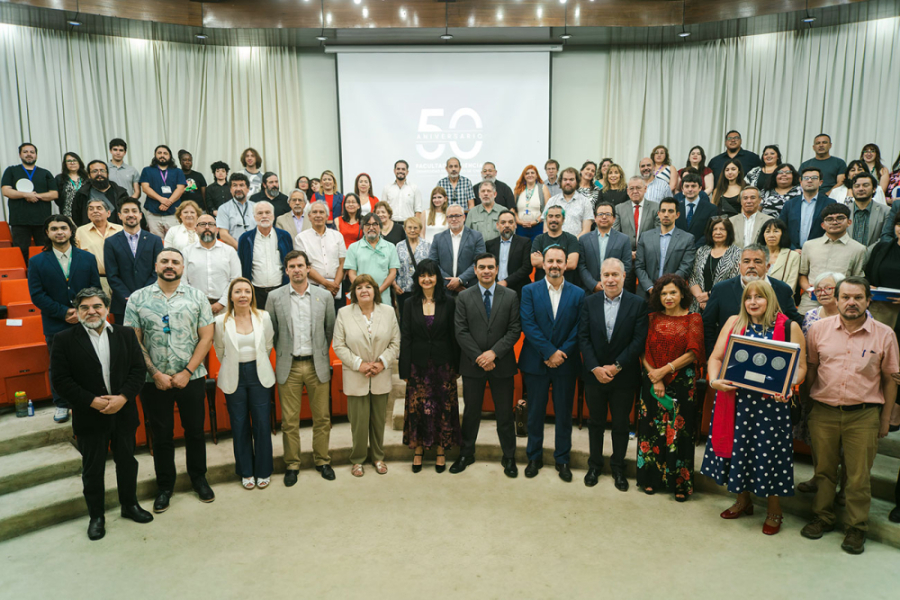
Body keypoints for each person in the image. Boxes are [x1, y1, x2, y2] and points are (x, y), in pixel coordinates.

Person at [701, 280, 807, 535]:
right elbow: (715, 358)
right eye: (749, 298)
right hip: (735, 402)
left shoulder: (790, 326)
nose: (753, 302)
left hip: (770, 407)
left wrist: (788, 387)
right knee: (739, 450)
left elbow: (801, 367)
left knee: (768, 454)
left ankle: (774, 509)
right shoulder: (734, 322)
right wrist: (715, 381)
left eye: (759, 297)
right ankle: (743, 500)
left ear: (770, 299)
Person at [802, 277, 898, 554]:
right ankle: (822, 517)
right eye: (845, 297)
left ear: (869, 300)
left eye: (858, 297)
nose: (851, 302)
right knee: (823, 471)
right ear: (836, 299)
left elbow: (891, 379)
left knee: (858, 477)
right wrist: (807, 406)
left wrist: (885, 418)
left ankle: (857, 527)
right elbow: (811, 368)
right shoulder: (818, 330)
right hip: (823, 411)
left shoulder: (884, 334)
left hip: (864, 415)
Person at [49, 287, 150, 541]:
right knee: (92, 469)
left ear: (106, 308)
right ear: (77, 311)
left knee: (127, 462)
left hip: (123, 412)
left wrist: (123, 398)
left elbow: (138, 371)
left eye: (96, 306)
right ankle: (97, 516)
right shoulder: (63, 339)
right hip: (89, 416)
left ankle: (130, 506)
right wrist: (92, 402)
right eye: (84, 307)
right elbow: (61, 380)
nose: (91, 311)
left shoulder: (126, 335)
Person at [124, 248, 215, 512]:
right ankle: (165, 486)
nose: (170, 265)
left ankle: (199, 478)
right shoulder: (138, 299)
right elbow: (134, 340)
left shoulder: (197, 297)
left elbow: (206, 338)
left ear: (183, 268)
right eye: (165, 261)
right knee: (161, 436)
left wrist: (187, 372)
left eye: (175, 262)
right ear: (156, 265)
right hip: (155, 381)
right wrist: (154, 372)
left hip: (192, 378)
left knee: (196, 432)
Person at [266, 250, 337, 485]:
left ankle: (322, 460)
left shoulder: (324, 297)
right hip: (290, 365)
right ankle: (292, 464)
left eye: (300, 265)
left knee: (322, 418)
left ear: (308, 268)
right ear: (286, 271)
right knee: (289, 421)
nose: (296, 270)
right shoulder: (274, 298)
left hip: (317, 364)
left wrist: (319, 354)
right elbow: (271, 333)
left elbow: (329, 331)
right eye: (292, 266)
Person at [578, 257, 648, 490]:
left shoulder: (637, 304)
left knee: (620, 425)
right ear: (601, 277)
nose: (610, 279)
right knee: (595, 422)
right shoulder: (589, 302)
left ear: (624, 276)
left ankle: (619, 468)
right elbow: (583, 338)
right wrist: (595, 368)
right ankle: (595, 466)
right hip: (594, 375)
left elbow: (638, 341)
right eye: (606, 275)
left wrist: (617, 366)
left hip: (624, 377)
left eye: (615, 275)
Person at [451, 253, 522, 477]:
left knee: (504, 414)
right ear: (475, 270)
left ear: (497, 269)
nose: (486, 271)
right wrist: (480, 357)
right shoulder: (463, 297)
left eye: (491, 267)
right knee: (471, 412)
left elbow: (514, 330)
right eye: (482, 267)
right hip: (473, 365)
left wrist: (493, 354)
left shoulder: (510, 296)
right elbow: (460, 331)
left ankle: (509, 456)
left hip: (502, 364)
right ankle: (466, 453)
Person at [519, 247, 585, 482]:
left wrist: (561, 353)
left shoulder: (578, 293)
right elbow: (528, 324)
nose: (554, 264)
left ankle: (562, 459)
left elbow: (579, 329)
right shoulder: (529, 290)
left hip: (565, 364)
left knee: (564, 414)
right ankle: (534, 457)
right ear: (543, 264)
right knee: (535, 413)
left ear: (566, 264)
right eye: (550, 261)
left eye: (559, 261)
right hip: (536, 362)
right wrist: (549, 352)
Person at [29, 215, 102, 423]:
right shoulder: (36, 261)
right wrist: (63, 312)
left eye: (63, 228)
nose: (59, 232)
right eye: (54, 229)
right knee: (58, 365)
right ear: (47, 233)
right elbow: (37, 295)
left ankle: (91, 399)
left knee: (90, 361)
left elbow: (95, 288)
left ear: (71, 231)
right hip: (55, 323)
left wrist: (81, 312)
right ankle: (61, 404)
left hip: (87, 320)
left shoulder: (87, 258)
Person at [638, 274, 705, 499]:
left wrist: (664, 371)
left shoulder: (693, 318)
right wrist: (655, 378)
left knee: (680, 433)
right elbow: (642, 351)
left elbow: (693, 352)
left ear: (682, 294)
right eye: (664, 293)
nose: (668, 297)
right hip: (652, 382)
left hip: (682, 384)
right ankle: (650, 479)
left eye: (673, 292)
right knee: (651, 430)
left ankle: (680, 484)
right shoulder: (651, 318)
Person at [332, 274, 400, 477]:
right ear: (354, 292)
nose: (364, 290)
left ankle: (378, 457)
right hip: (356, 374)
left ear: (375, 290)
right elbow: (339, 345)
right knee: (359, 422)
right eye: (359, 287)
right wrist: (359, 364)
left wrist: (381, 363)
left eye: (368, 287)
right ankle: (358, 460)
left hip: (381, 373)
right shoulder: (344, 313)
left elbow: (396, 342)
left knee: (379, 421)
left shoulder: (388, 312)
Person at [399, 259, 461, 473]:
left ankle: (441, 451)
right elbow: (405, 337)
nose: (427, 279)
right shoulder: (409, 303)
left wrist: (457, 366)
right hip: (418, 365)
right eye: (422, 275)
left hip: (443, 365)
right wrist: (404, 368)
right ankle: (418, 450)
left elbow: (454, 336)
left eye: (431, 275)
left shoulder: (449, 302)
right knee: (418, 409)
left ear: (437, 278)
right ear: (418, 279)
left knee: (442, 408)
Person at [213, 278, 275, 490]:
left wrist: (255, 363)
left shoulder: (263, 317)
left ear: (252, 295)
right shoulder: (221, 321)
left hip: (259, 374)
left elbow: (268, 345)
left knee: (262, 424)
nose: (242, 295)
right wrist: (234, 365)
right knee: (239, 425)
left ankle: (264, 470)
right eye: (237, 291)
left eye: (247, 291)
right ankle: (246, 471)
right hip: (234, 375)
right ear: (230, 296)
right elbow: (220, 351)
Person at [702, 244, 803, 358]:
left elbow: (795, 323)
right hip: (728, 358)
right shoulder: (721, 289)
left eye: (757, 261)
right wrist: (711, 357)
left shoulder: (782, 289)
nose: (751, 266)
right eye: (746, 261)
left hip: (772, 358)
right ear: (739, 266)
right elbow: (707, 325)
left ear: (767, 266)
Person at [797, 203, 867, 313]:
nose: (835, 222)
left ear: (849, 222)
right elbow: (802, 274)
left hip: (840, 304)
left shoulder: (858, 249)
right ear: (823, 225)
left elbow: (857, 279)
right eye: (829, 219)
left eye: (840, 218)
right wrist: (808, 289)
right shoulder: (809, 245)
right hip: (810, 302)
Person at [104, 198, 164, 325]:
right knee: (125, 342)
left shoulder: (155, 240)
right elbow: (112, 274)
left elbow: (158, 270)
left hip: (151, 301)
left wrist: (143, 295)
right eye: (126, 211)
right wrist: (128, 297)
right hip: (122, 303)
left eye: (134, 211)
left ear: (140, 215)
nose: (130, 214)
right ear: (120, 216)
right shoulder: (111, 242)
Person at [1, 142, 59, 264]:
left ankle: (45, 274)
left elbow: (54, 194)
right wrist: (25, 194)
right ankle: (26, 278)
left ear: (36, 155)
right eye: (25, 152)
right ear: (20, 154)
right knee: (21, 250)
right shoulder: (11, 171)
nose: (29, 154)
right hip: (19, 220)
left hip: (42, 220)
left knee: (45, 249)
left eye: (32, 152)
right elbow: (6, 191)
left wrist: (35, 195)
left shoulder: (45, 173)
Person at [634, 198, 696, 299]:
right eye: (663, 211)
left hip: (672, 295)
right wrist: (650, 288)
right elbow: (639, 266)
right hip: (646, 295)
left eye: (670, 211)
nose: (666, 214)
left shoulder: (687, 239)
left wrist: (668, 288)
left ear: (677, 215)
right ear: (658, 214)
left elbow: (685, 267)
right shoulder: (645, 236)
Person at [182, 213, 242, 316]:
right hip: (194, 307)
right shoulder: (186, 252)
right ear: (196, 230)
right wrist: (197, 303)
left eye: (211, 224)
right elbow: (182, 281)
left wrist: (221, 303)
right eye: (202, 224)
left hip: (225, 308)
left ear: (217, 230)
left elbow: (235, 279)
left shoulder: (229, 251)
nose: (207, 227)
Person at [237, 201, 293, 309]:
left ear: (273, 215)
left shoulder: (284, 236)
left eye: (267, 212)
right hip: (256, 293)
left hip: (281, 291)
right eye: (260, 213)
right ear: (254, 217)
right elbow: (242, 265)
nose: (264, 216)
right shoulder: (245, 239)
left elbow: (290, 263)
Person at [296, 202, 346, 317]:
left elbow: (342, 263)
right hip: (313, 288)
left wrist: (335, 285)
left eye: (321, 212)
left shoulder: (337, 236)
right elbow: (305, 266)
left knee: (338, 322)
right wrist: (326, 284)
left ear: (327, 216)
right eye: (314, 212)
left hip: (336, 289)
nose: (318, 215)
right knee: (316, 323)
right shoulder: (301, 238)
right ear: (309, 216)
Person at [613, 177, 660, 290]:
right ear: (627, 191)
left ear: (645, 189)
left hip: (647, 258)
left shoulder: (656, 207)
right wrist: (628, 253)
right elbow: (615, 235)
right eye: (631, 188)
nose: (635, 191)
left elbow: (658, 233)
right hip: (626, 259)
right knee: (626, 292)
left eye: (638, 188)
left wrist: (640, 253)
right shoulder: (619, 208)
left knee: (645, 292)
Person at [428, 205, 485, 295]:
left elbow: (479, 262)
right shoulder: (438, 238)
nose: (454, 219)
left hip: (468, 288)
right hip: (444, 289)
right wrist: (450, 282)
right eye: (450, 216)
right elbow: (432, 263)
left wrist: (460, 280)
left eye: (457, 216)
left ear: (464, 217)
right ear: (447, 219)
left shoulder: (476, 236)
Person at [345, 212, 401, 305]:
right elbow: (351, 274)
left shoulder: (390, 247)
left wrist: (378, 291)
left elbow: (392, 273)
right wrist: (365, 291)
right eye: (367, 224)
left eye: (375, 224)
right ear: (362, 228)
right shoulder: (353, 247)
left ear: (380, 227)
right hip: (361, 297)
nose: (371, 228)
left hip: (383, 297)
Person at [579, 201, 632, 294]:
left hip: (615, 290)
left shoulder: (624, 239)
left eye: (608, 214)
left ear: (614, 219)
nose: (604, 217)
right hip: (590, 291)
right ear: (595, 218)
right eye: (600, 214)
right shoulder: (584, 239)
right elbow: (581, 265)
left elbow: (626, 266)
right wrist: (593, 284)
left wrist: (611, 283)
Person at [688, 216, 741, 312]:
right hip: (698, 306)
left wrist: (709, 296)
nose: (718, 232)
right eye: (714, 229)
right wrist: (700, 298)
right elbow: (693, 277)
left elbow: (734, 282)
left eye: (722, 229)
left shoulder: (737, 253)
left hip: (724, 305)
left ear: (729, 232)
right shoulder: (701, 251)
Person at [778, 166, 835, 249]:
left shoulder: (830, 203)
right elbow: (781, 229)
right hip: (793, 253)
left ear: (820, 182)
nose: (810, 180)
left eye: (814, 178)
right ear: (801, 182)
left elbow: (832, 229)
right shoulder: (789, 204)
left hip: (819, 251)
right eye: (806, 178)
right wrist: (792, 249)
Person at [75, 198, 123, 297]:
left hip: (120, 279)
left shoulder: (120, 230)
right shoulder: (80, 232)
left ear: (108, 213)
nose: (95, 211)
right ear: (88, 214)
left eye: (99, 208)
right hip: (94, 281)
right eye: (91, 209)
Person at [139, 145, 186, 238]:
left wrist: (168, 203)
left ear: (170, 156)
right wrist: (162, 200)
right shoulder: (147, 170)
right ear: (155, 155)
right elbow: (145, 188)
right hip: (153, 213)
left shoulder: (178, 171)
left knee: (174, 239)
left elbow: (180, 189)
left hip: (173, 213)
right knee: (156, 242)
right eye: (159, 153)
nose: (162, 155)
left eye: (165, 153)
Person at [865, 212, 900, 328]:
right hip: (881, 309)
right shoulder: (882, 248)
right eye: (899, 224)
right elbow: (867, 274)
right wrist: (868, 286)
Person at [486, 210, 533, 298]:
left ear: (515, 225)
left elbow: (527, 267)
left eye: (510, 222)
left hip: (518, 290)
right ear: (497, 225)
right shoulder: (489, 245)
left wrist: (506, 282)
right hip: (495, 289)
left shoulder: (525, 242)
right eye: (503, 222)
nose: (507, 225)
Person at [530, 205, 581, 285]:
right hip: (542, 286)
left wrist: (543, 259)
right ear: (546, 219)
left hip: (566, 286)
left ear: (563, 219)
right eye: (550, 216)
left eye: (557, 216)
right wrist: (562, 262)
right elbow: (534, 261)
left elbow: (572, 264)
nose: (553, 219)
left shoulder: (571, 239)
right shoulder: (539, 239)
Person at [71, 160, 130, 228]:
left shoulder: (120, 192)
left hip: (117, 232)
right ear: (89, 175)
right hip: (91, 233)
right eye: (95, 171)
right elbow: (76, 216)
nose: (99, 174)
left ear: (107, 174)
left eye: (102, 170)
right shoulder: (82, 193)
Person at [392, 217, 430, 320]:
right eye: (409, 227)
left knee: (421, 317)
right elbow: (393, 267)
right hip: (402, 289)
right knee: (405, 317)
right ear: (404, 229)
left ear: (420, 229)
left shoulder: (427, 246)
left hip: (422, 288)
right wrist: (395, 285)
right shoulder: (399, 246)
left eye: (415, 227)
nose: (412, 230)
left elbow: (431, 267)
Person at [542, 167, 592, 238]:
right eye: (565, 179)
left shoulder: (585, 202)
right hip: (554, 246)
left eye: (571, 179)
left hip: (576, 246)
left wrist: (572, 243)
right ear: (560, 182)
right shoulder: (552, 201)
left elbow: (586, 230)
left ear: (577, 181)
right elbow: (546, 228)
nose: (568, 182)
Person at [675, 172, 719, 247]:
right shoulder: (675, 208)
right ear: (682, 189)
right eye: (687, 186)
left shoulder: (711, 209)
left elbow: (709, 231)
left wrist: (694, 247)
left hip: (701, 249)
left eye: (693, 186)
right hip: (678, 248)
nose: (690, 189)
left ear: (700, 188)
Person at [846, 173, 889, 249]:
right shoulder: (844, 211)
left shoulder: (886, 211)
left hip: (875, 256)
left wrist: (866, 254)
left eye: (865, 185)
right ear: (852, 189)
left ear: (874, 189)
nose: (861, 189)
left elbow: (885, 238)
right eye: (857, 186)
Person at [758, 218, 800, 292]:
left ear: (783, 234)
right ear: (763, 235)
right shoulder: (756, 255)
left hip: (782, 300)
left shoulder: (793, 256)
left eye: (776, 231)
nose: (771, 235)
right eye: (768, 231)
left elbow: (791, 287)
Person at [216, 173, 255, 249]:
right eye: (235, 185)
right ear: (230, 189)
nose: (238, 189)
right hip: (233, 252)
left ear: (248, 189)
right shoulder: (223, 208)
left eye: (241, 185)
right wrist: (241, 249)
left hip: (255, 250)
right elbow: (223, 234)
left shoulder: (256, 207)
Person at [511, 165, 550, 241]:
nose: (530, 175)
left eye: (532, 173)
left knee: (536, 250)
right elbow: (513, 208)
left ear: (536, 175)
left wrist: (536, 221)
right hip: (521, 228)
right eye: (527, 173)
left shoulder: (542, 188)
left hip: (538, 227)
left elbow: (548, 209)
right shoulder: (518, 189)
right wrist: (519, 221)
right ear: (524, 176)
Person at [381, 160, 423, 225]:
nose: (400, 171)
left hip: (409, 225)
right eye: (398, 169)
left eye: (403, 169)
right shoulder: (387, 188)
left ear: (407, 172)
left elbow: (418, 210)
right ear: (394, 171)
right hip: (391, 225)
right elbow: (383, 209)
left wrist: (416, 225)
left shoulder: (414, 188)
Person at [55, 152, 88, 218]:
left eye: (74, 160)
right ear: (65, 164)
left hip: (85, 212)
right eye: (69, 161)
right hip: (68, 213)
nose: (72, 163)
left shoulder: (86, 177)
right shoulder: (60, 178)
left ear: (79, 162)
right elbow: (58, 198)